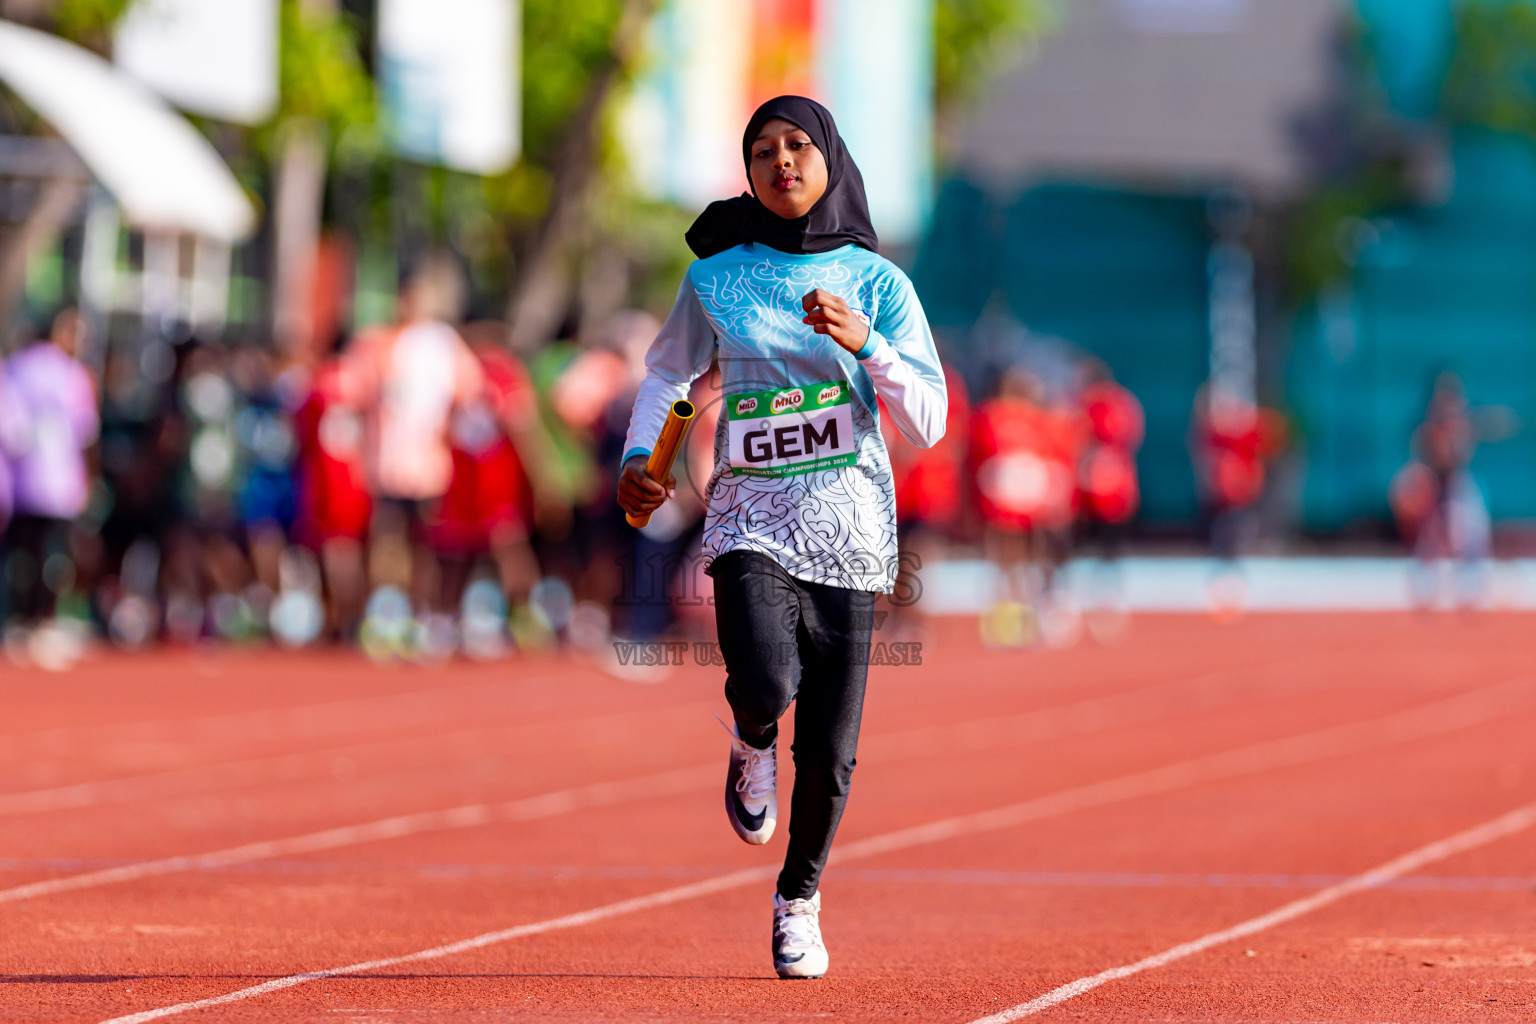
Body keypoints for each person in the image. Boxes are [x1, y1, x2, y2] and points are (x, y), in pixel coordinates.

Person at [616, 96, 946, 979]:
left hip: (852, 524)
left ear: (830, 158)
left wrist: (868, 341)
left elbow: (930, 419)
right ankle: (751, 735)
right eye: (763, 149)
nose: (782, 161)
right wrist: (641, 458)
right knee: (762, 673)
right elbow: (666, 374)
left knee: (832, 751)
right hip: (748, 512)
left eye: (798, 145)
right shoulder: (716, 276)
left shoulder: (882, 284)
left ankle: (798, 900)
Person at [1, 311, 99, 626]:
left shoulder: (14, 367)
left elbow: (10, 432)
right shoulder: (72, 374)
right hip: (59, 482)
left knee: (22, 555)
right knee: (54, 555)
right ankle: (42, 618)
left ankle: (19, 617)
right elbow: (86, 433)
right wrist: (90, 478)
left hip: (19, 484)